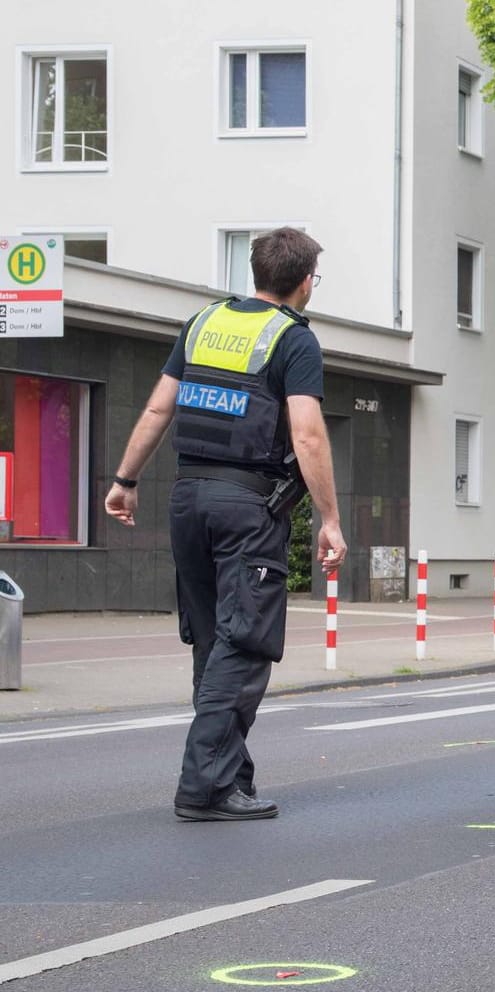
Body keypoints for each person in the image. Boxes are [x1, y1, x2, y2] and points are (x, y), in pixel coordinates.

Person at [104, 227, 345, 821]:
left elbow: (161, 406)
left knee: (215, 643)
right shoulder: (294, 340)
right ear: (306, 280)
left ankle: (231, 777)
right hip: (247, 508)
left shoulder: (204, 323)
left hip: (188, 499)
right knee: (244, 644)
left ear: (256, 271)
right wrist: (330, 519)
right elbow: (308, 434)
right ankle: (205, 788)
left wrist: (126, 479)